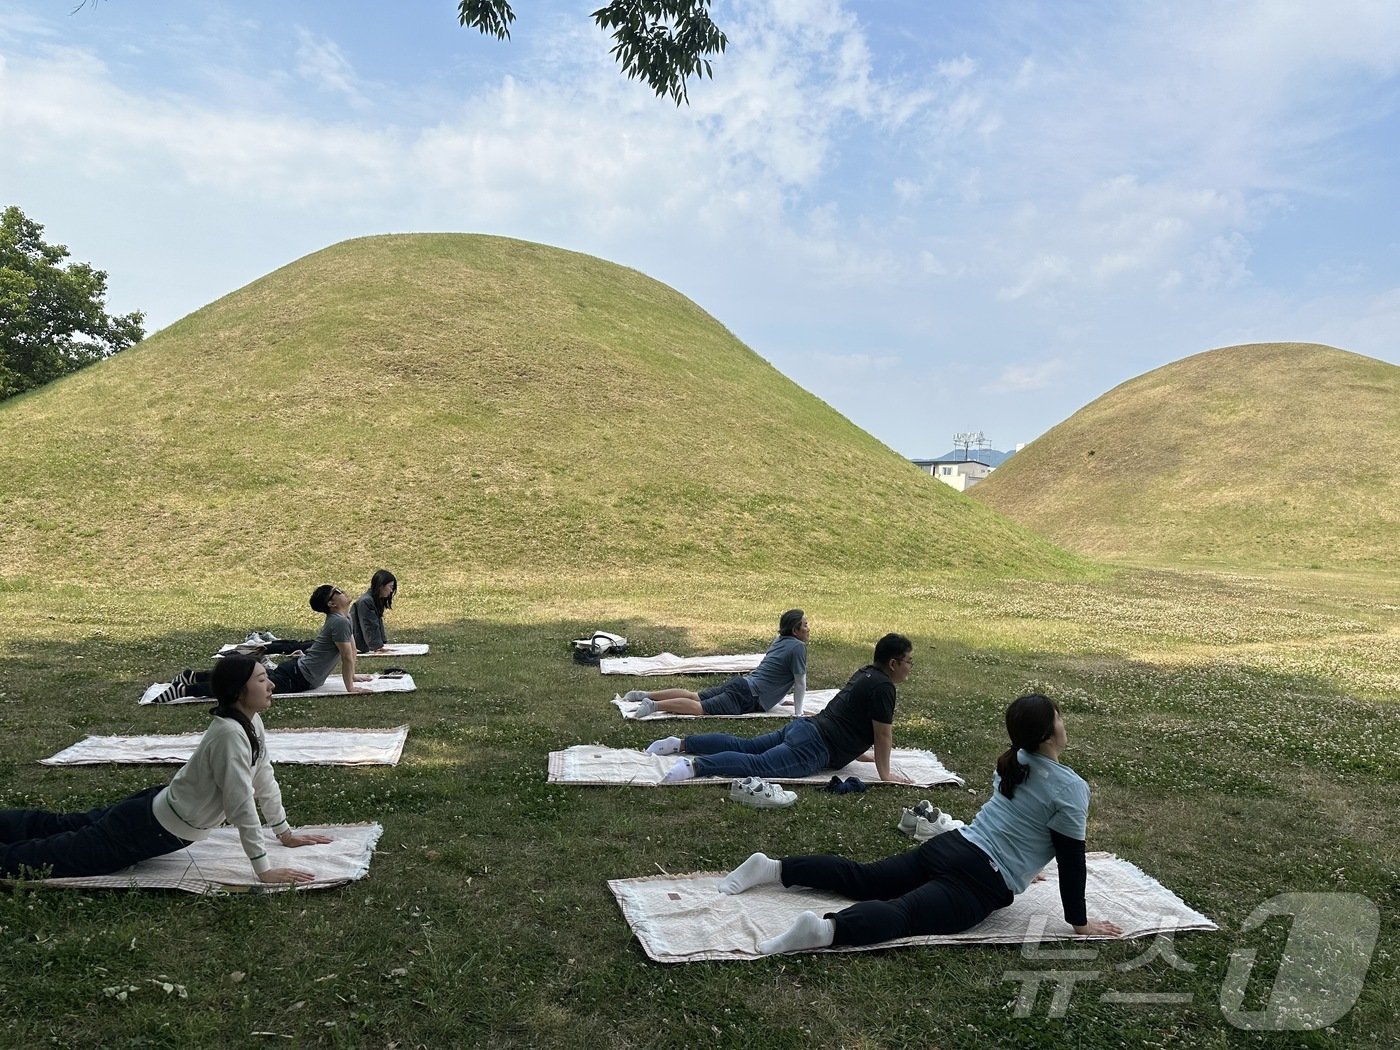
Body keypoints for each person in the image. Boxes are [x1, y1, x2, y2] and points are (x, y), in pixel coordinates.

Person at [718, 693, 1125, 954]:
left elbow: (1016, 822)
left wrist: (1026, 866)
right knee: (904, 914)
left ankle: (773, 867)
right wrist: (1080, 923)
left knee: (864, 878)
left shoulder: (1013, 761)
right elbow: (1072, 860)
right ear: (1050, 733)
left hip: (952, 845)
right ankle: (824, 931)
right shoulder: (1070, 788)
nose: (1064, 724)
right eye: (1060, 718)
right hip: (980, 880)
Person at [2, 657, 331, 883]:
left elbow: (264, 777)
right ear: (238, 691)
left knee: (59, 827)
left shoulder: (249, 722)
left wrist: (284, 833)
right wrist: (263, 869)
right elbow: (240, 803)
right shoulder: (230, 735)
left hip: (152, 811)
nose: (271, 684)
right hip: (149, 827)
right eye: (261, 680)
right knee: (48, 856)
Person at [645, 633, 915, 785]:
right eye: (908, 661)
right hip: (815, 746)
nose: (910, 667)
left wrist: (860, 754)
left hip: (806, 728)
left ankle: (679, 744)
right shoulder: (884, 688)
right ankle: (694, 767)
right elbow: (883, 736)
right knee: (758, 764)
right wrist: (886, 775)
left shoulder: (865, 673)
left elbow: (849, 718)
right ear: (893, 663)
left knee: (745, 746)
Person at [161, 585, 373, 699]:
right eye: (336, 591)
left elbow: (350, 652)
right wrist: (350, 687)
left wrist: (353, 676)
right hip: (297, 677)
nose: (342, 591)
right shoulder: (339, 622)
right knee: (244, 690)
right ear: (331, 603)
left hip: (299, 674)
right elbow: (346, 656)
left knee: (247, 681)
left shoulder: (343, 619)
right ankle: (185, 690)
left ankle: (193, 676)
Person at [624, 609, 809, 717]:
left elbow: (773, 672)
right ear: (795, 630)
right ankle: (653, 705)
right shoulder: (798, 647)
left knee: (695, 696)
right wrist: (798, 715)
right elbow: (800, 683)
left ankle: (642, 694)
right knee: (700, 708)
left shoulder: (780, 640)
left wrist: (779, 699)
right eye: (805, 625)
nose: (809, 628)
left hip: (743, 684)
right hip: (748, 696)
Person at [351, 569, 398, 653]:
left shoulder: (374, 600)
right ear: (381, 586)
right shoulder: (366, 601)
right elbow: (369, 625)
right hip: (356, 642)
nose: (391, 591)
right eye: (390, 587)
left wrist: (381, 643)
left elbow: (376, 622)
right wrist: (377, 646)